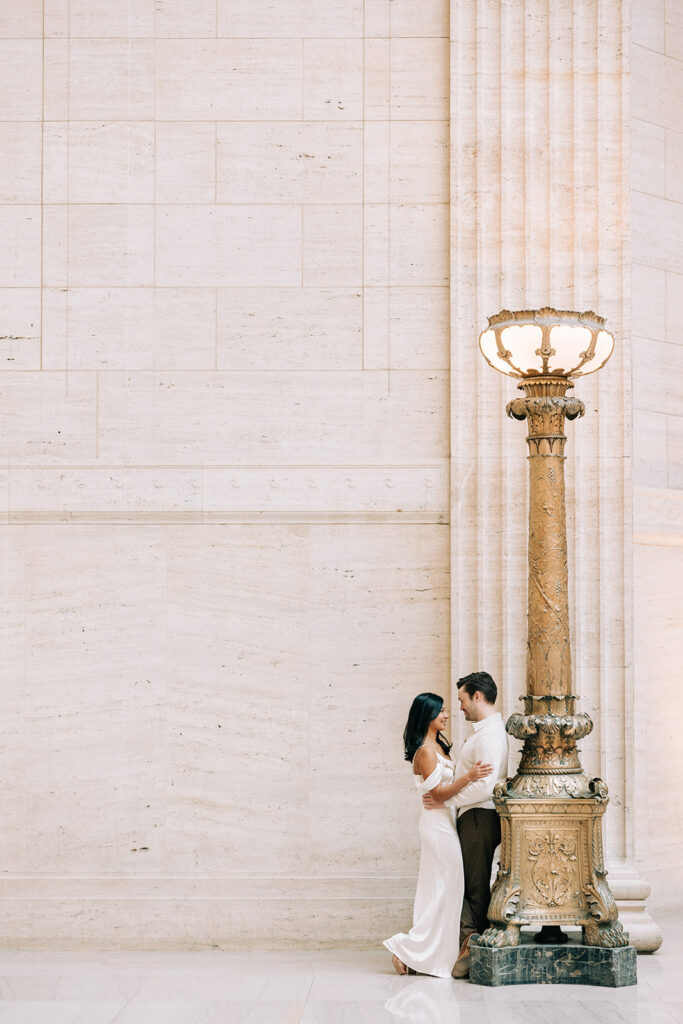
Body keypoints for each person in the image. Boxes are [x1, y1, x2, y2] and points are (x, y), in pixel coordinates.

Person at [383, 692, 493, 978]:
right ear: (428, 716)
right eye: (441, 711)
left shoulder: (439, 747)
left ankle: (428, 954)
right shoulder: (426, 752)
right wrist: (470, 777)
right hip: (436, 825)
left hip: (446, 822)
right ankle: (407, 949)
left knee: (447, 888)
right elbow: (437, 794)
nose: (447, 715)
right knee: (445, 886)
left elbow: (443, 794)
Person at [422, 671, 508, 977]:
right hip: (474, 816)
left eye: (461, 700)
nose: (458, 707)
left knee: (473, 885)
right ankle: (468, 943)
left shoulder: (488, 736)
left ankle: (473, 946)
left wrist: (446, 801)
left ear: (478, 696)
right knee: (469, 882)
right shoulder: (487, 732)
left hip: (477, 816)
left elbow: (484, 788)